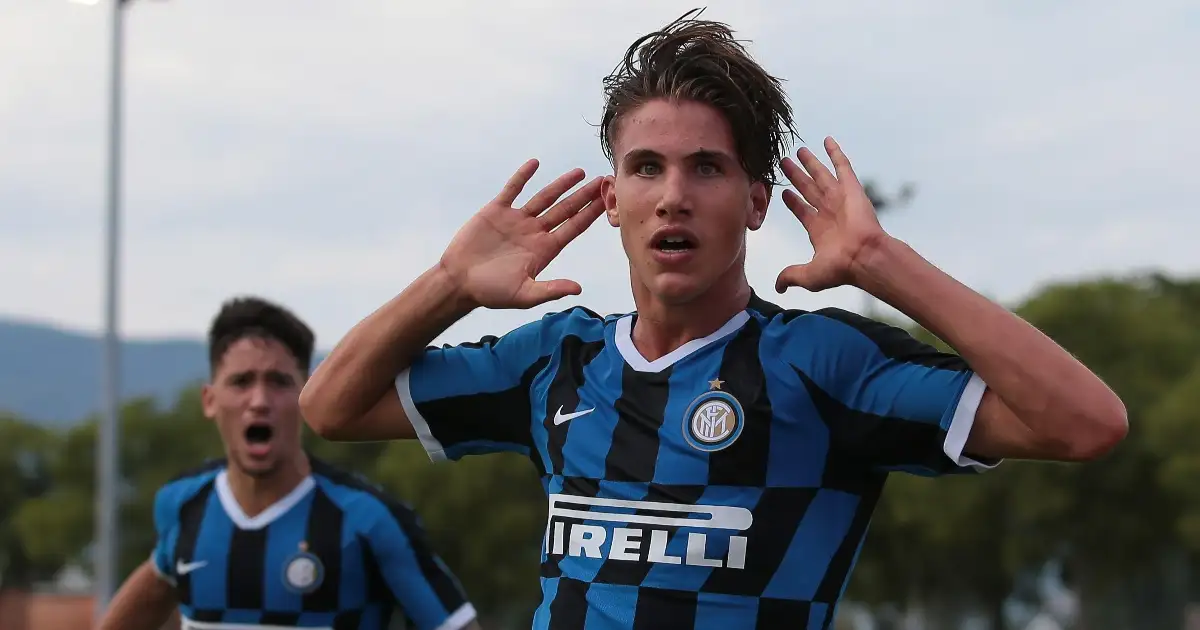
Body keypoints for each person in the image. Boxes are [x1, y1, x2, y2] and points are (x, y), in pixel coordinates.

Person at [298, 9, 1128, 630]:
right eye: (647, 167)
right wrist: (450, 283)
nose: (674, 196)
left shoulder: (821, 365)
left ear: (755, 203)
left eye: (708, 168)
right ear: (612, 199)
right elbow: (330, 407)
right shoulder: (555, 361)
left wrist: (883, 264)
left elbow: (1086, 423)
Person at [98, 297, 481, 630]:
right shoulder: (182, 505)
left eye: (279, 382)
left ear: (306, 395)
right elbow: (150, 593)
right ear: (210, 400)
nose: (260, 400)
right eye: (242, 381)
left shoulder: (369, 520)